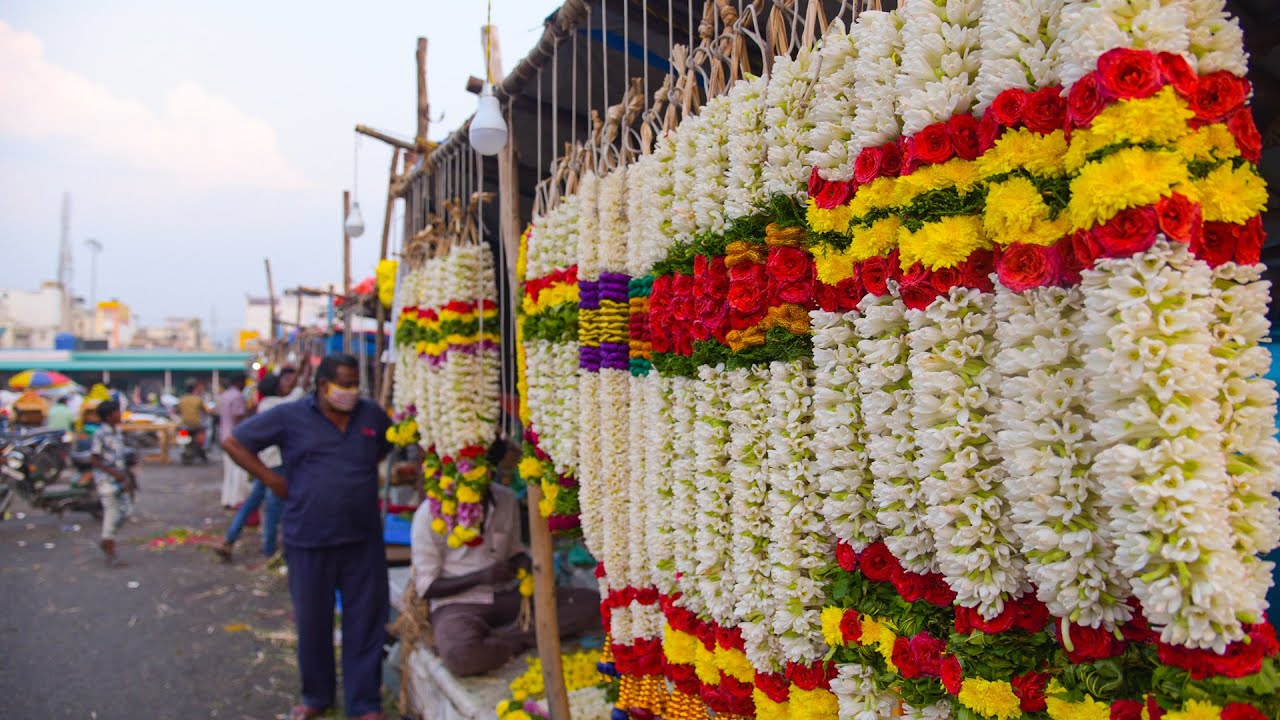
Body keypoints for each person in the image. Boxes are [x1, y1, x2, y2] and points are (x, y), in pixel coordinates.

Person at [222, 354, 391, 720]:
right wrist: (272, 480)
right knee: (313, 623)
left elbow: (382, 448)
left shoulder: (371, 415)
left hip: (362, 538)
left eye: (353, 384)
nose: (349, 392)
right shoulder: (290, 415)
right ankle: (316, 697)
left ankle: (364, 703)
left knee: (365, 624)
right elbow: (234, 442)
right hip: (308, 538)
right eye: (342, 384)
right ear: (322, 385)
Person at [410, 438, 601, 677]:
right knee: (462, 657)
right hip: (459, 605)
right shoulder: (429, 514)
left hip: (509, 598)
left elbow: (515, 551)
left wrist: (524, 564)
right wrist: (481, 577)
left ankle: (503, 639)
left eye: (487, 473)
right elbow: (427, 587)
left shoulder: (506, 499)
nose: (482, 481)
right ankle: (516, 639)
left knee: (593, 604)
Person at [215, 374, 287, 563]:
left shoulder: (260, 405)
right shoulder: (278, 406)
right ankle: (269, 550)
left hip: (260, 459)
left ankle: (229, 539)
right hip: (273, 462)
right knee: (272, 508)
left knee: (252, 502)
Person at [90, 400, 133, 566]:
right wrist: (113, 473)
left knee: (126, 511)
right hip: (106, 480)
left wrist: (125, 477)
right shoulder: (100, 434)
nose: (120, 415)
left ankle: (107, 539)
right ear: (109, 416)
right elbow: (94, 459)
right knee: (111, 512)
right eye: (117, 412)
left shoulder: (117, 432)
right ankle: (110, 548)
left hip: (119, 478)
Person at [217, 376, 249, 509]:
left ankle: (227, 499)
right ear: (239, 382)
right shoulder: (237, 396)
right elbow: (238, 417)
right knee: (237, 470)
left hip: (224, 435)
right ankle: (236, 500)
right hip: (235, 437)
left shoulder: (224, 395)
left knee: (228, 470)